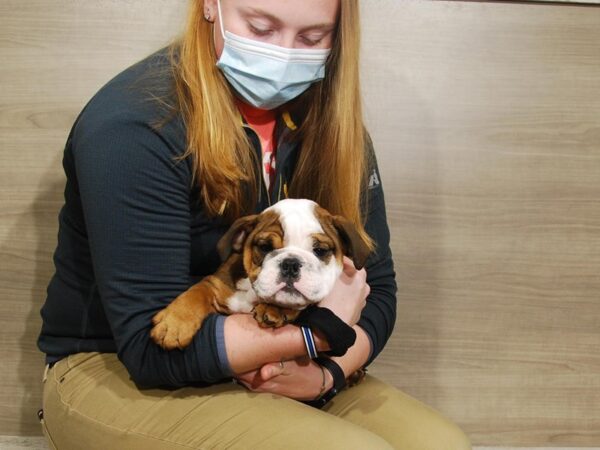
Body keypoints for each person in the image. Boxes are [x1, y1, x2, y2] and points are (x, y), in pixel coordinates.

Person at [37, 0, 471, 449]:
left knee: (442, 444)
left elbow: (377, 287)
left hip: (286, 359)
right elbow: (151, 350)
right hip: (118, 367)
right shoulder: (134, 124)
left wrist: (327, 375)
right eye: (261, 27)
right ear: (211, 6)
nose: (284, 55)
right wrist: (313, 334)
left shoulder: (333, 128)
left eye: (312, 38)